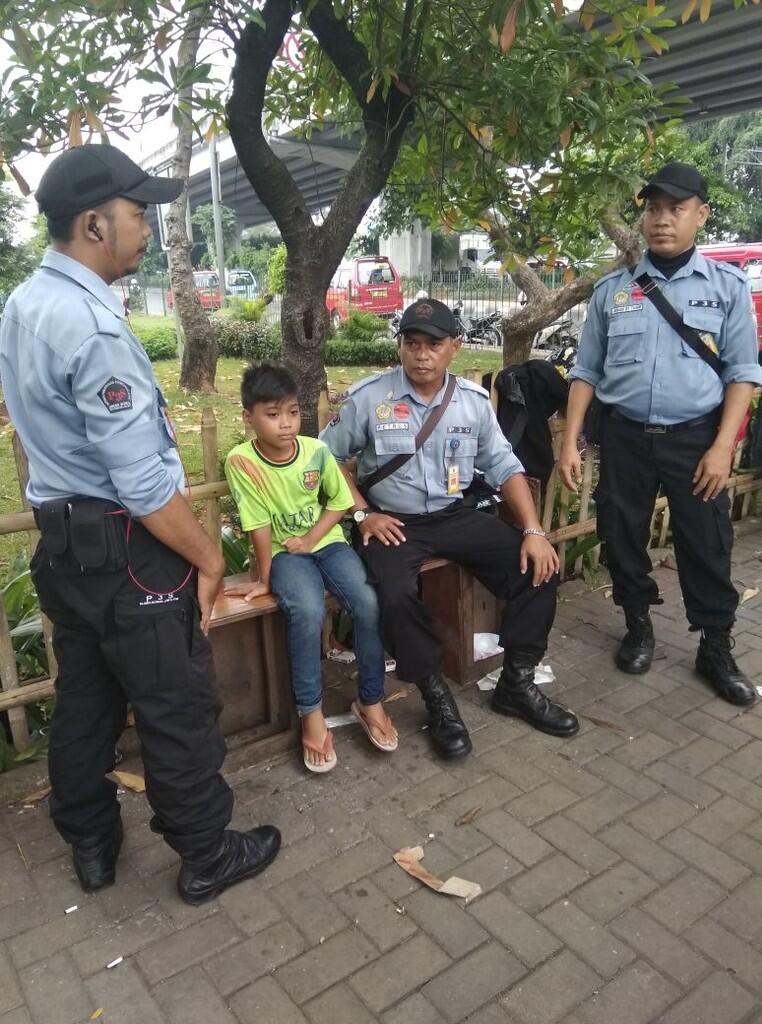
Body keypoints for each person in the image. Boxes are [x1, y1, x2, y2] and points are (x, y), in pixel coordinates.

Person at [0, 144, 280, 905]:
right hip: (129, 548)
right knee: (175, 702)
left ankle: (90, 840)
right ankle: (205, 851)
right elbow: (145, 484)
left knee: (85, 699)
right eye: (138, 213)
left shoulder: (24, 303)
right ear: (94, 224)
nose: (149, 229)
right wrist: (208, 560)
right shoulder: (90, 326)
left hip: (64, 547)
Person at [320, 299, 579, 759]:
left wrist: (535, 532)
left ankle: (517, 684)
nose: (421, 354)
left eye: (433, 344)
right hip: (394, 522)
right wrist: (362, 514)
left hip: (454, 515)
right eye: (411, 343)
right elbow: (327, 459)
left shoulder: (472, 403)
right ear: (400, 345)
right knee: (395, 596)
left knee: (537, 568)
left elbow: (505, 466)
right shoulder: (370, 398)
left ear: (454, 347)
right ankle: (435, 694)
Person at [560, 161, 762, 705]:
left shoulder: (726, 288)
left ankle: (715, 646)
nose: (662, 220)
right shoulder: (612, 291)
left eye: (675, 209)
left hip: (696, 439)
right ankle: (638, 625)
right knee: (621, 533)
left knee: (706, 542)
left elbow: (743, 372)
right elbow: (586, 371)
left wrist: (722, 448)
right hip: (624, 436)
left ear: (701, 215)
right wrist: (569, 439)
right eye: (653, 208)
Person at [224, 363, 397, 772]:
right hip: (285, 555)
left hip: (327, 543)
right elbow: (257, 523)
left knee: (368, 602)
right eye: (272, 414)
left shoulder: (316, 451)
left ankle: (370, 700)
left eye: (292, 412)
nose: (285, 424)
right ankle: (311, 714)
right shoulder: (241, 461)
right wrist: (265, 576)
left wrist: (313, 538)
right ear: (249, 417)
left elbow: (340, 503)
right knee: (306, 611)